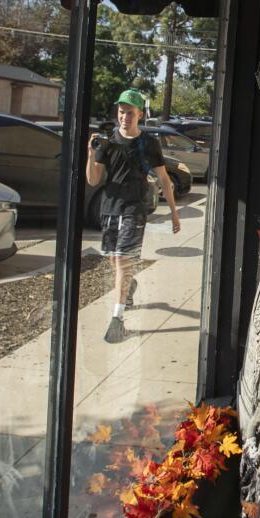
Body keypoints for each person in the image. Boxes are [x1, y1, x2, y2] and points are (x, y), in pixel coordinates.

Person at [86, 89, 180, 343]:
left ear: (139, 114)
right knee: (114, 261)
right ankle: (129, 286)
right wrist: (90, 153)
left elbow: (163, 178)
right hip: (109, 208)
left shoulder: (148, 144)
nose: (124, 117)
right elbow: (93, 180)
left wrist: (173, 213)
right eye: (121, 112)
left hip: (134, 209)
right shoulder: (107, 142)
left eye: (129, 112)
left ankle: (117, 317)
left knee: (123, 259)